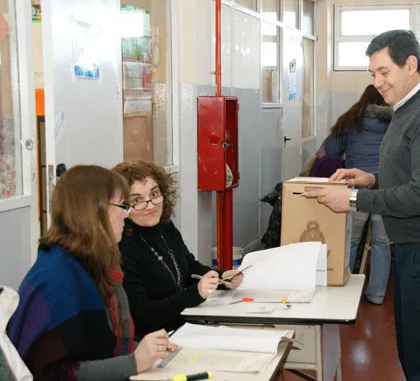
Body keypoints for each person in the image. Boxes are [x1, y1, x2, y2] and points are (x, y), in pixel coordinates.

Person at [305, 30, 420, 381]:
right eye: (373, 74)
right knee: (416, 354)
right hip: (419, 249)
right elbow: (415, 175)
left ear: (411, 64)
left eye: (384, 72)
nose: (378, 82)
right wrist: (371, 179)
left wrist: (354, 199)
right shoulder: (407, 108)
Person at [7, 165, 176, 380]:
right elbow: (51, 374)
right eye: (123, 206)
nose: (127, 215)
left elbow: (104, 345)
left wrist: (146, 349)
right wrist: (133, 362)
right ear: (95, 211)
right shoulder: (57, 279)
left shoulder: (93, 263)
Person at [113, 161, 244, 336]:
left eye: (154, 194)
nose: (150, 205)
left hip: (183, 325)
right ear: (123, 206)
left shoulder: (164, 226)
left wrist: (222, 277)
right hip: (153, 339)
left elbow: (189, 268)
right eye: (137, 200)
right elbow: (140, 315)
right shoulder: (122, 246)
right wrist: (195, 293)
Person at [322, 84, 393, 304]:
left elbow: (330, 151)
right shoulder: (396, 121)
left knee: (350, 241)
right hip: (385, 187)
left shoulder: (351, 120)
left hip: (355, 188)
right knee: (381, 243)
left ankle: (345, 290)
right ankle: (377, 294)